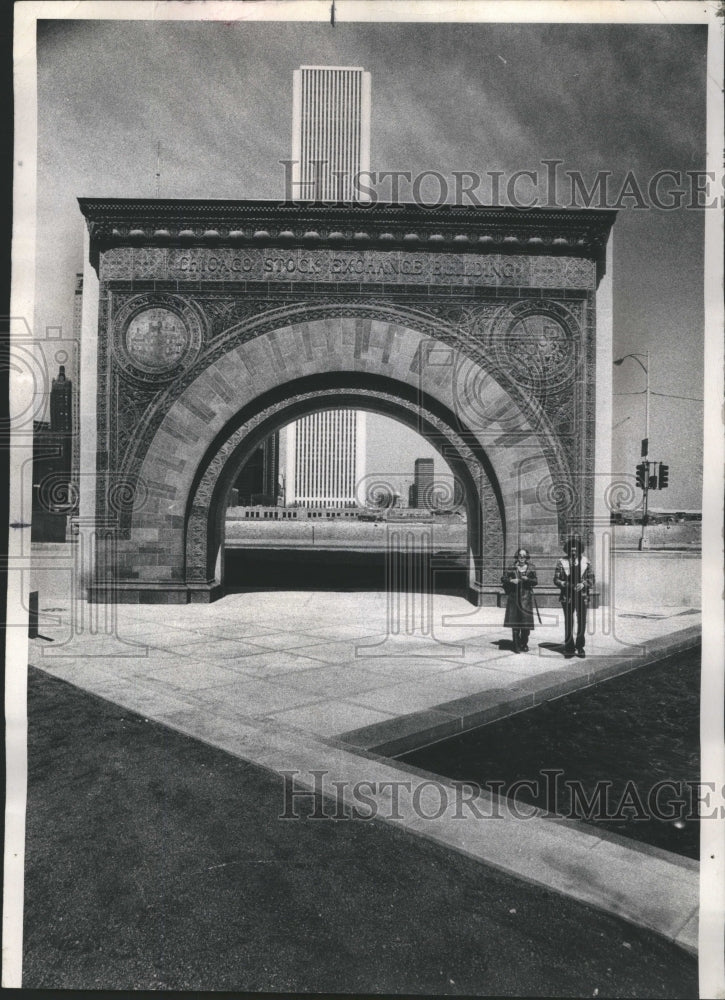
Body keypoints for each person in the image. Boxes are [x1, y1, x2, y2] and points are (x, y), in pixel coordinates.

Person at [553, 537, 595, 658]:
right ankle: (569, 647)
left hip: (582, 596)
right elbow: (555, 579)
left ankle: (580, 646)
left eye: (575, 550)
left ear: (579, 550)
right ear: (567, 550)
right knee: (568, 621)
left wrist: (583, 584)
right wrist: (564, 583)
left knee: (581, 622)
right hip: (567, 596)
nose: (573, 552)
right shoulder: (562, 562)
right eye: (571, 550)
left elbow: (592, 579)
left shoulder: (586, 562)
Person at [501, 548, 538, 653]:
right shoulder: (511, 567)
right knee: (515, 622)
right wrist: (511, 580)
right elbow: (503, 579)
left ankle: (524, 643)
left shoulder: (531, 567)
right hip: (514, 597)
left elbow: (535, 581)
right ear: (517, 556)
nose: (522, 557)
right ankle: (516, 645)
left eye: (524, 556)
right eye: (520, 555)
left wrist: (528, 580)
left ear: (527, 557)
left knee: (526, 623)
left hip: (526, 598)